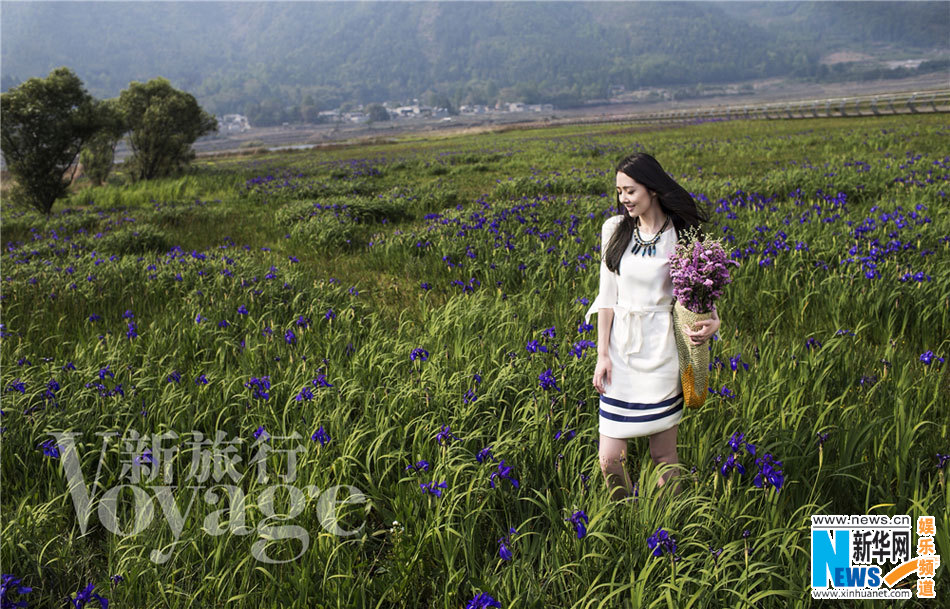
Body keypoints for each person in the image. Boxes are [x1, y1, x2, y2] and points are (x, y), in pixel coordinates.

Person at [585, 152, 718, 500]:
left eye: (630, 190)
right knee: (610, 458)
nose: (623, 199)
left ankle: (668, 521)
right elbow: (606, 297)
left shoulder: (682, 235)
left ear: (653, 189)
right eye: (618, 191)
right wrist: (602, 355)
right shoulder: (613, 230)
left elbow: (699, 293)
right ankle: (627, 515)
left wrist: (713, 322)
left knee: (663, 456)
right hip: (621, 350)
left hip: (662, 350)